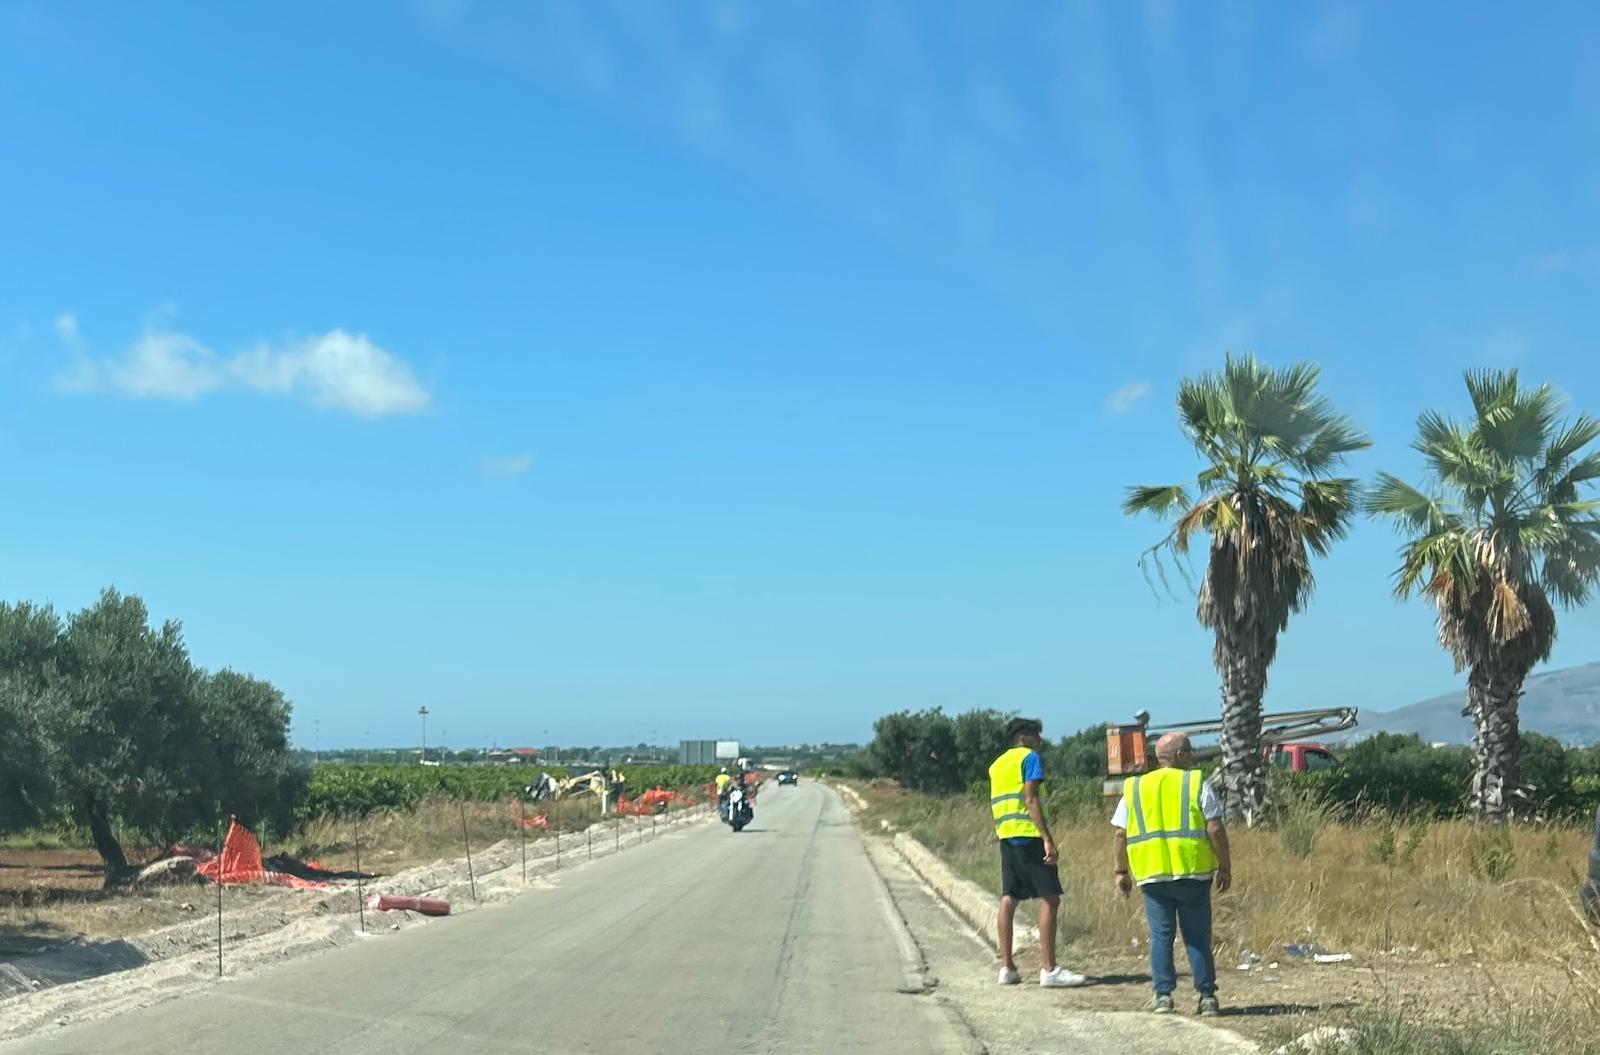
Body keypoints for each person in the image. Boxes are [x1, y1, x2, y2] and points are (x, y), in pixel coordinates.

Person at [1111, 732, 1231, 1017]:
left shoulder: (1136, 787)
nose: (1191, 755)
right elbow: (1214, 828)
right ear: (1178, 755)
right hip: (1192, 872)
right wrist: (1225, 866)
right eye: (1188, 750)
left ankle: (1163, 997)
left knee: (1161, 937)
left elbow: (1120, 833)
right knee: (1197, 937)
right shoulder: (1194, 782)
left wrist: (1121, 871)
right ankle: (1207, 997)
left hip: (1152, 875)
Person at [989, 717, 1087, 988]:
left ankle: (1007, 967)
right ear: (1023, 737)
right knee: (1051, 898)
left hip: (1006, 834)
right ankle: (1049, 969)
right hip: (1028, 835)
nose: (1040, 741)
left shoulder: (997, 765)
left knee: (1009, 897)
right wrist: (1047, 838)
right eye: (1036, 735)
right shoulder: (1029, 758)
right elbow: (1030, 798)